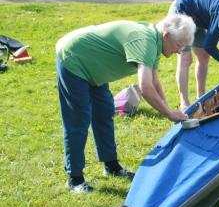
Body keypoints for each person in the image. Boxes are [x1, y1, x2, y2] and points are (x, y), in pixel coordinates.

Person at [56, 14, 195, 193]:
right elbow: (145, 87)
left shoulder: (155, 40)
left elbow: (154, 80)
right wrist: (169, 113)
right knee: (79, 120)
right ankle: (74, 179)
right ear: (167, 36)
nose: (179, 51)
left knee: (104, 113)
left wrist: (168, 110)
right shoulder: (146, 41)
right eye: (179, 45)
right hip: (75, 57)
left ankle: (112, 166)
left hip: (94, 69)